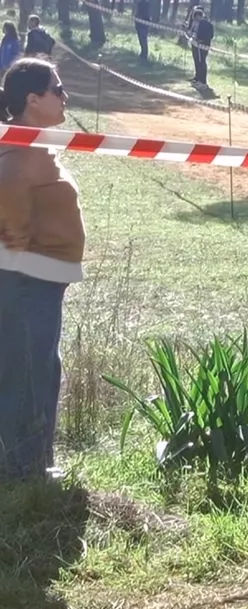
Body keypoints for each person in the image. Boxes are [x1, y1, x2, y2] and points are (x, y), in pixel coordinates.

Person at [0, 57, 78, 483]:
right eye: (58, 88)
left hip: (38, 280)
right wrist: (18, 248)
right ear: (33, 99)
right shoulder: (19, 148)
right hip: (26, 280)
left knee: (39, 368)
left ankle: (28, 465)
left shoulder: (31, 142)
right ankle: (23, 473)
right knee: (29, 372)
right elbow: (9, 194)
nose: (65, 95)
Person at [188, 8, 214, 87]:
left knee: (201, 62)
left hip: (202, 46)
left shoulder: (206, 24)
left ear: (199, 16)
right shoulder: (196, 23)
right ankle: (197, 78)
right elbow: (193, 32)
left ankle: (203, 81)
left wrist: (201, 40)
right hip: (195, 45)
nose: (195, 20)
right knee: (197, 61)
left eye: (196, 18)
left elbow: (210, 35)